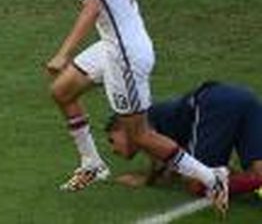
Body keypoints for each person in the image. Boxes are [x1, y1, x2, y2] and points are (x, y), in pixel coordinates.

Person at [5, 0, 229, 215]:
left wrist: (63, 54)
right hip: (116, 45)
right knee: (62, 91)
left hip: (126, 55)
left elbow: (92, 8)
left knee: (140, 136)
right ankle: (92, 163)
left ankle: (212, 177)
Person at [107, 81, 262, 196]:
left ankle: (253, 181)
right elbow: (174, 160)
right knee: (257, 168)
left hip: (212, 102)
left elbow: (159, 159)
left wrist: (145, 180)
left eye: (112, 140)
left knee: (199, 184)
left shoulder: (140, 121)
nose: (114, 150)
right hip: (244, 97)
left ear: (123, 127)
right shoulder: (160, 117)